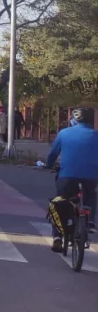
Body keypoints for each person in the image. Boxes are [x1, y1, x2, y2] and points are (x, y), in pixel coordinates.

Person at [42, 107, 98, 252]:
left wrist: (48, 165)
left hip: (67, 176)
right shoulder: (96, 135)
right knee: (91, 195)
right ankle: (90, 221)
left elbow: (53, 154)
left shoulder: (64, 133)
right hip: (91, 177)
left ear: (72, 119)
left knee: (59, 202)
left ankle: (57, 237)